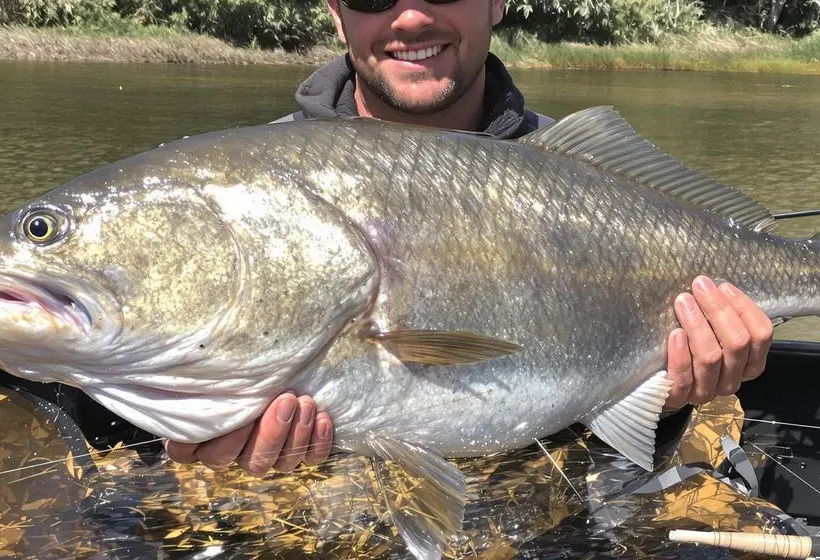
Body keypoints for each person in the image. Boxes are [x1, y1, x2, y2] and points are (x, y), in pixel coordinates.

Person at [166, 0, 774, 473]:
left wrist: (670, 393)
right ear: (335, 10)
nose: (409, 16)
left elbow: (628, 431)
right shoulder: (246, 187)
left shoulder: (585, 173)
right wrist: (213, 463)